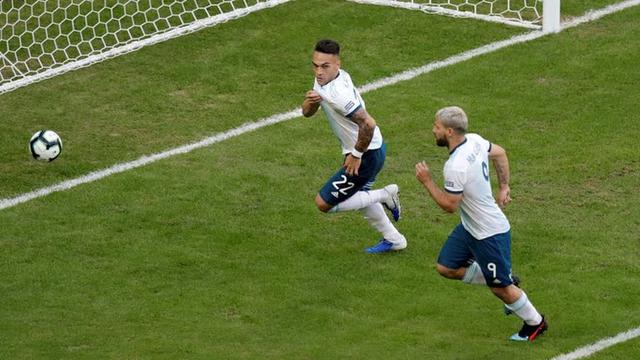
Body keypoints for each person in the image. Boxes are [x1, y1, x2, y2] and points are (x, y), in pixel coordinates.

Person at [414, 106, 547, 341]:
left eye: (437, 127)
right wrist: (504, 186)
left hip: (489, 232)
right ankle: (506, 280)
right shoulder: (474, 140)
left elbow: (449, 206)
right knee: (447, 267)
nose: (433, 130)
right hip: (471, 226)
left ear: (450, 131)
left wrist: (427, 182)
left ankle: (535, 322)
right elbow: (500, 153)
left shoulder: (455, 166)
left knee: (500, 289)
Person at [301, 39, 406, 253]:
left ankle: (386, 194)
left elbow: (368, 123)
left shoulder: (339, 94)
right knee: (361, 195)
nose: (318, 71)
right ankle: (395, 240)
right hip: (365, 148)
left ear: (337, 64)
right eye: (315, 65)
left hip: (367, 152)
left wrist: (357, 154)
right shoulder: (326, 78)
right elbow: (306, 113)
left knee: (324, 203)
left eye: (325, 66)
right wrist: (310, 103)